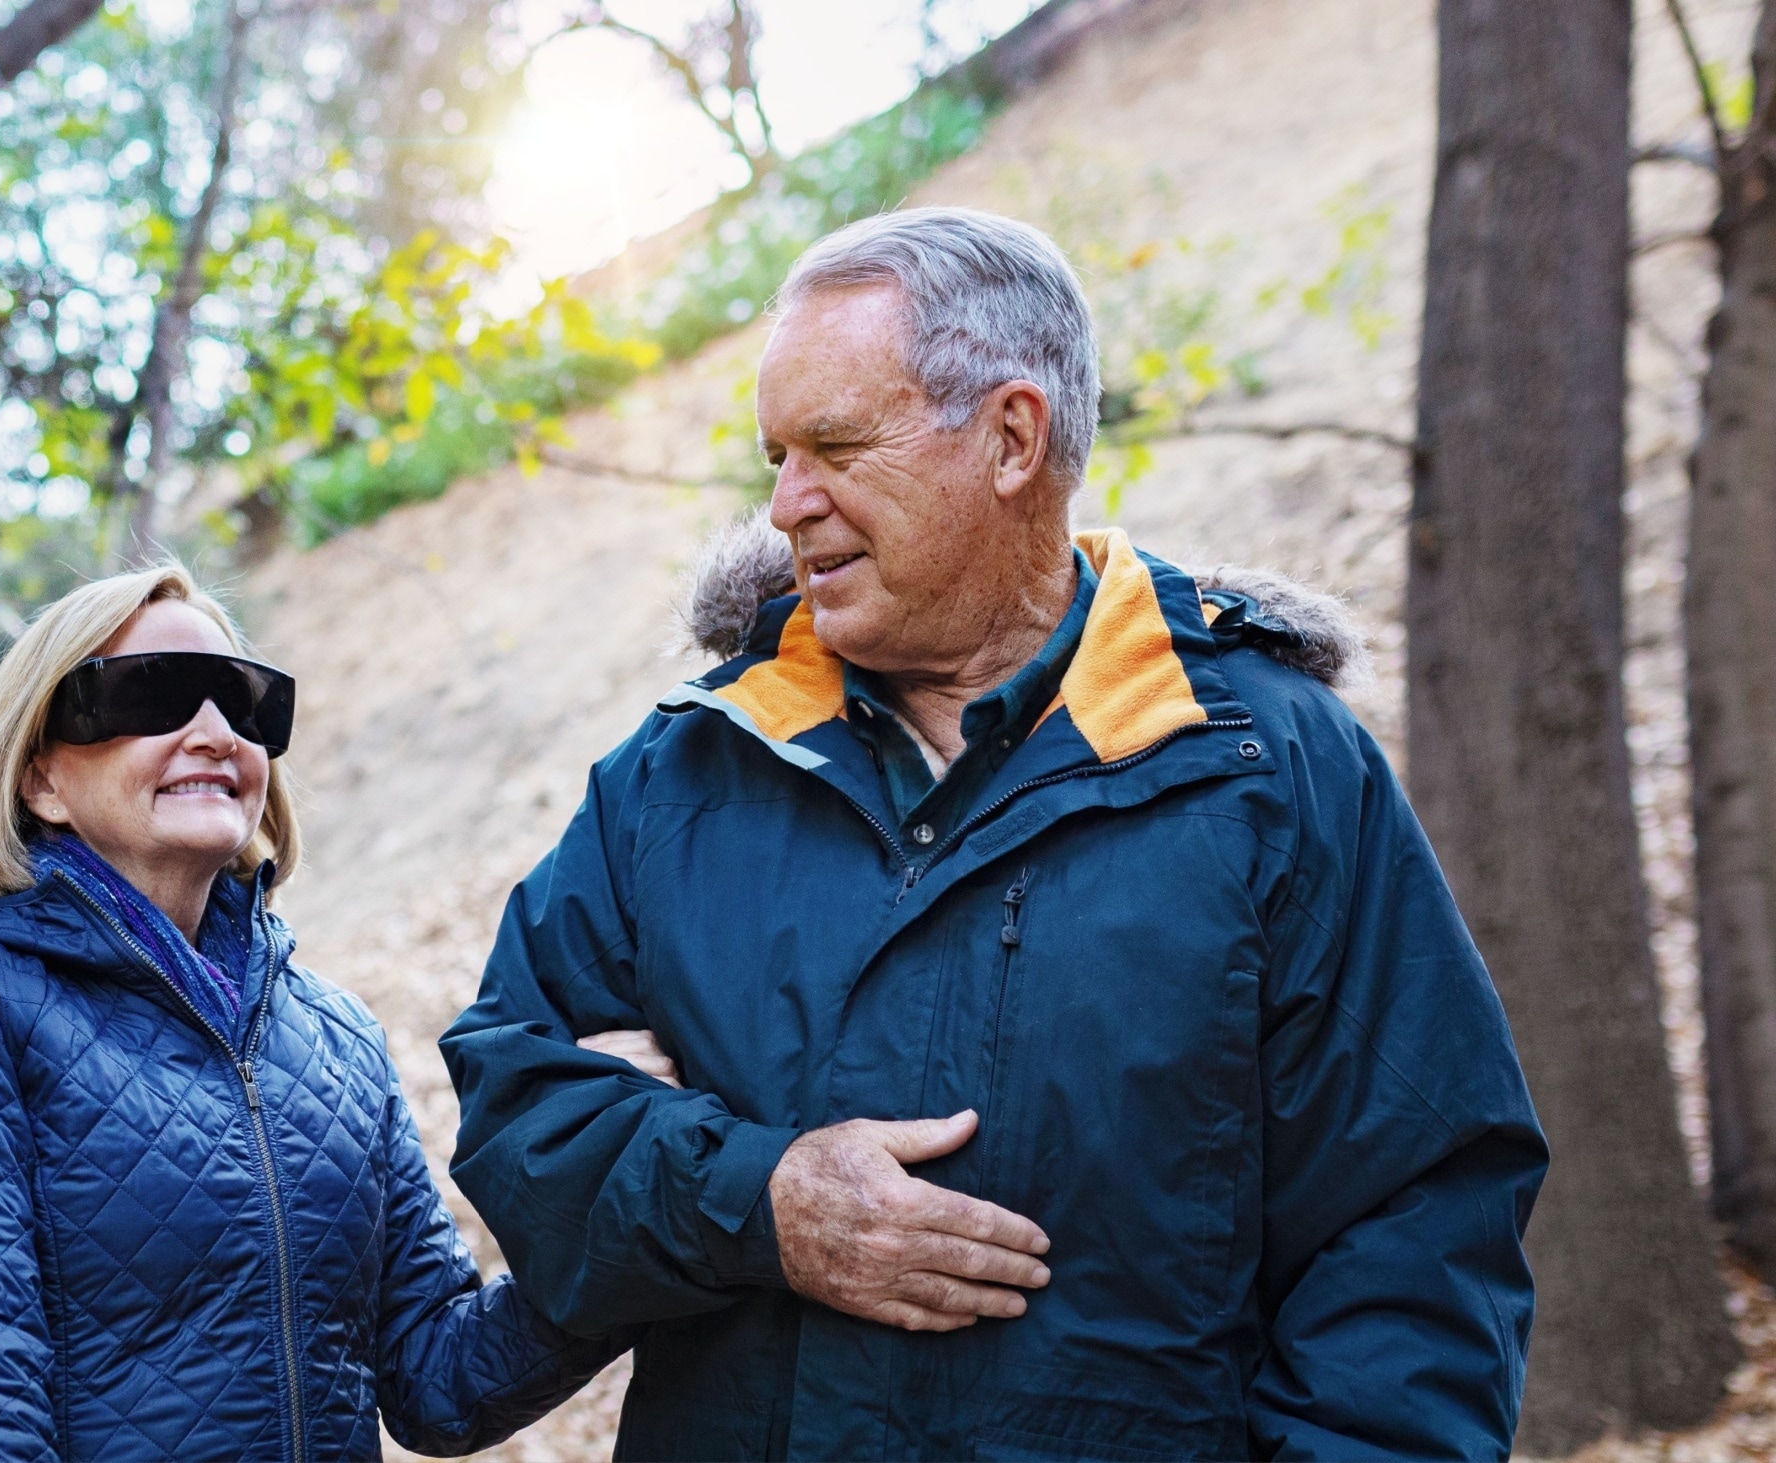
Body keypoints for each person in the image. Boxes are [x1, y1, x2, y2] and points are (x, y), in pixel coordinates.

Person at [442, 207, 1548, 1461]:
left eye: (836, 445)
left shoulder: (1269, 771)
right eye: (773, 456)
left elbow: (1411, 1231)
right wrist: (757, 1201)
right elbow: (516, 1095)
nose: (787, 504)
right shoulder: (681, 773)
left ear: (1012, 436)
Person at [0, 565, 622, 1461]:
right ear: (40, 776)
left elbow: (437, 1378)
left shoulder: (333, 1035)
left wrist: (632, 1228)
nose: (213, 731)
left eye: (244, 704)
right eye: (154, 691)